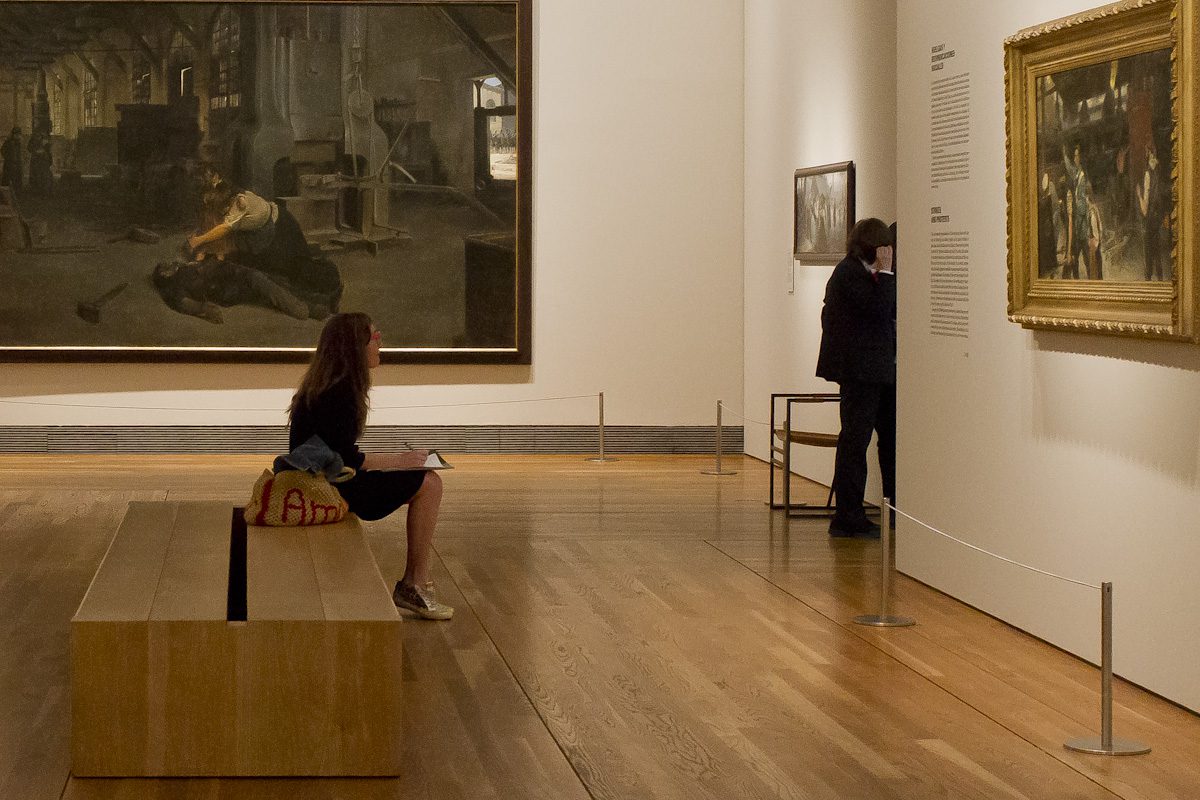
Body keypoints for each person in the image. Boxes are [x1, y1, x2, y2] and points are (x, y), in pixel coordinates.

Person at [288, 313, 453, 620]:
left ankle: (415, 583)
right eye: (374, 338)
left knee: (423, 479)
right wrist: (400, 461)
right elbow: (345, 460)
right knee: (430, 483)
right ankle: (415, 584)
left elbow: (340, 455)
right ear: (355, 346)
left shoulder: (329, 387)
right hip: (327, 487)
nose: (380, 344)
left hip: (322, 480)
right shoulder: (337, 394)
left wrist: (397, 463)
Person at [815, 218, 896, 538]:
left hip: (877, 372)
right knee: (855, 442)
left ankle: (893, 509)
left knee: (887, 441)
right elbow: (880, 310)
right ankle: (848, 516)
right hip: (861, 374)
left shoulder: (855, 271)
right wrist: (886, 273)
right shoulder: (849, 273)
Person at [188, 175, 343, 312]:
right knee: (280, 276)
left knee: (300, 268)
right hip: (265, 236)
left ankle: (333, 285)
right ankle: (318, 302)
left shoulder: (241, 203)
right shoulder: (228, 197)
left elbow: (224, 229)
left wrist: (198, 241)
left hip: (282, 228)